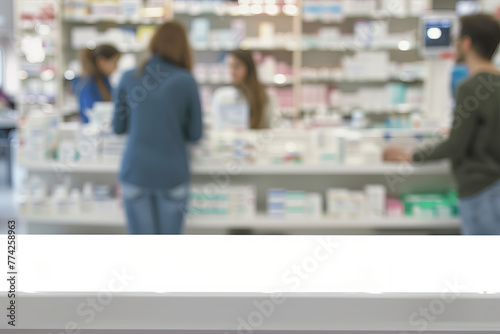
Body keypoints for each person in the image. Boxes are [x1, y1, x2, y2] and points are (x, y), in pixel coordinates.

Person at [384, 14, 500, 235]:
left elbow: (456, 145)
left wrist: (412, 156)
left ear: (466, 43)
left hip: (480, 187)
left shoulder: (471, 86)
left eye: (457, 39)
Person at [112, 21, 203, 235]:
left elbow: (118, 127)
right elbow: (195, 134)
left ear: (153, 43)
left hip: (136, 173)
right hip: (172, 175)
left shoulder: (128, 77)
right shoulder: (186, 81)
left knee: (143, 252)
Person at [211, 50, 277, 130]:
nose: (232, 72)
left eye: (237, 66)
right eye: (229, 66)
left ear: (249, 68)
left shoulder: (266, 97)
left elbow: (274, 129)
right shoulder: (222, 96)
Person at [75, 44, 121, 123]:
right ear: (101, 61)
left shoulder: (104, 81)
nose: (116, 67)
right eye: (115, 62)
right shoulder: (89, 85)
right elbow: (92, 114)